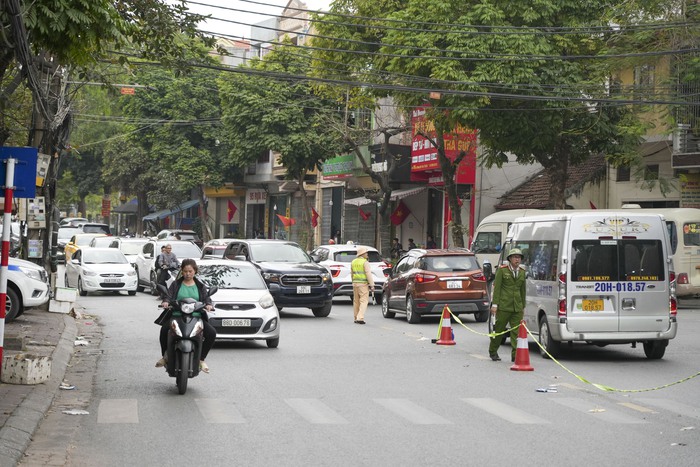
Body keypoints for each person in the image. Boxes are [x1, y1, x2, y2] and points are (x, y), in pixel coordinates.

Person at [156, 259, 217, 373]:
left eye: (190, 271)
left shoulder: (200, 286)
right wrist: (166, 302)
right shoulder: (176, 284)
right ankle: (166, 356)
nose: (187, 274)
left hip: (196, 316)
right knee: (164, 330)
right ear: (181, 271)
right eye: (185, 271)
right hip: (177, 315)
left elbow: (206, 298)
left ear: (195, 271)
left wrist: (208, 304)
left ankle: (201, 359)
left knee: (211, 333)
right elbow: (168, 296)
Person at [488, 248, 526, 362]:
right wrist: (495, 305)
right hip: (504, 306)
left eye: (519, 257)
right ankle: (493, 351)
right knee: (499, 330)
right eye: (515, 257)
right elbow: (497, 288)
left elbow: (522, 291)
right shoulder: (502, 270)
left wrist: (523, 306)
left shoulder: (522, 272)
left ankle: (515, 355)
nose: (517, 259)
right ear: (510, 259)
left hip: (517, 307)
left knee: (516, 332)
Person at [351, 246, 375, 324]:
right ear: (362, 254)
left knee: (356, 301)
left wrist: (353, 282)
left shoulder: (353, 262)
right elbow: (368, 274)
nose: (367, 254)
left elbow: (352, 274)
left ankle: (355, 317)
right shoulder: (365, 262)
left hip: (355, 284)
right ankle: (360, 317)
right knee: (364, 301)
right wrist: (372, 285)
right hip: (363, 284)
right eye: (366, 253)